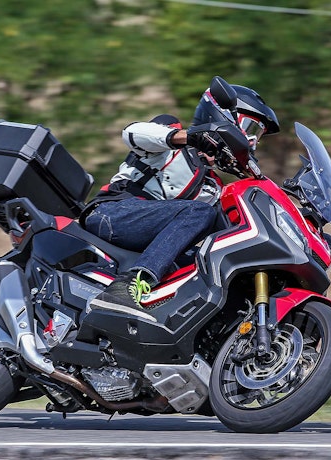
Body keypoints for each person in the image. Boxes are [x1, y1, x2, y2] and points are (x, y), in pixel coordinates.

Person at [82, 81, 279, 315]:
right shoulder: (172, 139)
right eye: (250, 128)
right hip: (112, 214)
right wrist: (188, 137)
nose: (253, 141)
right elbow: (132, 133)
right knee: (200, 211)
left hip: (148, 237)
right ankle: (128, 285)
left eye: (257, 135)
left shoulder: (213, 187)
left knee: (209, 261)